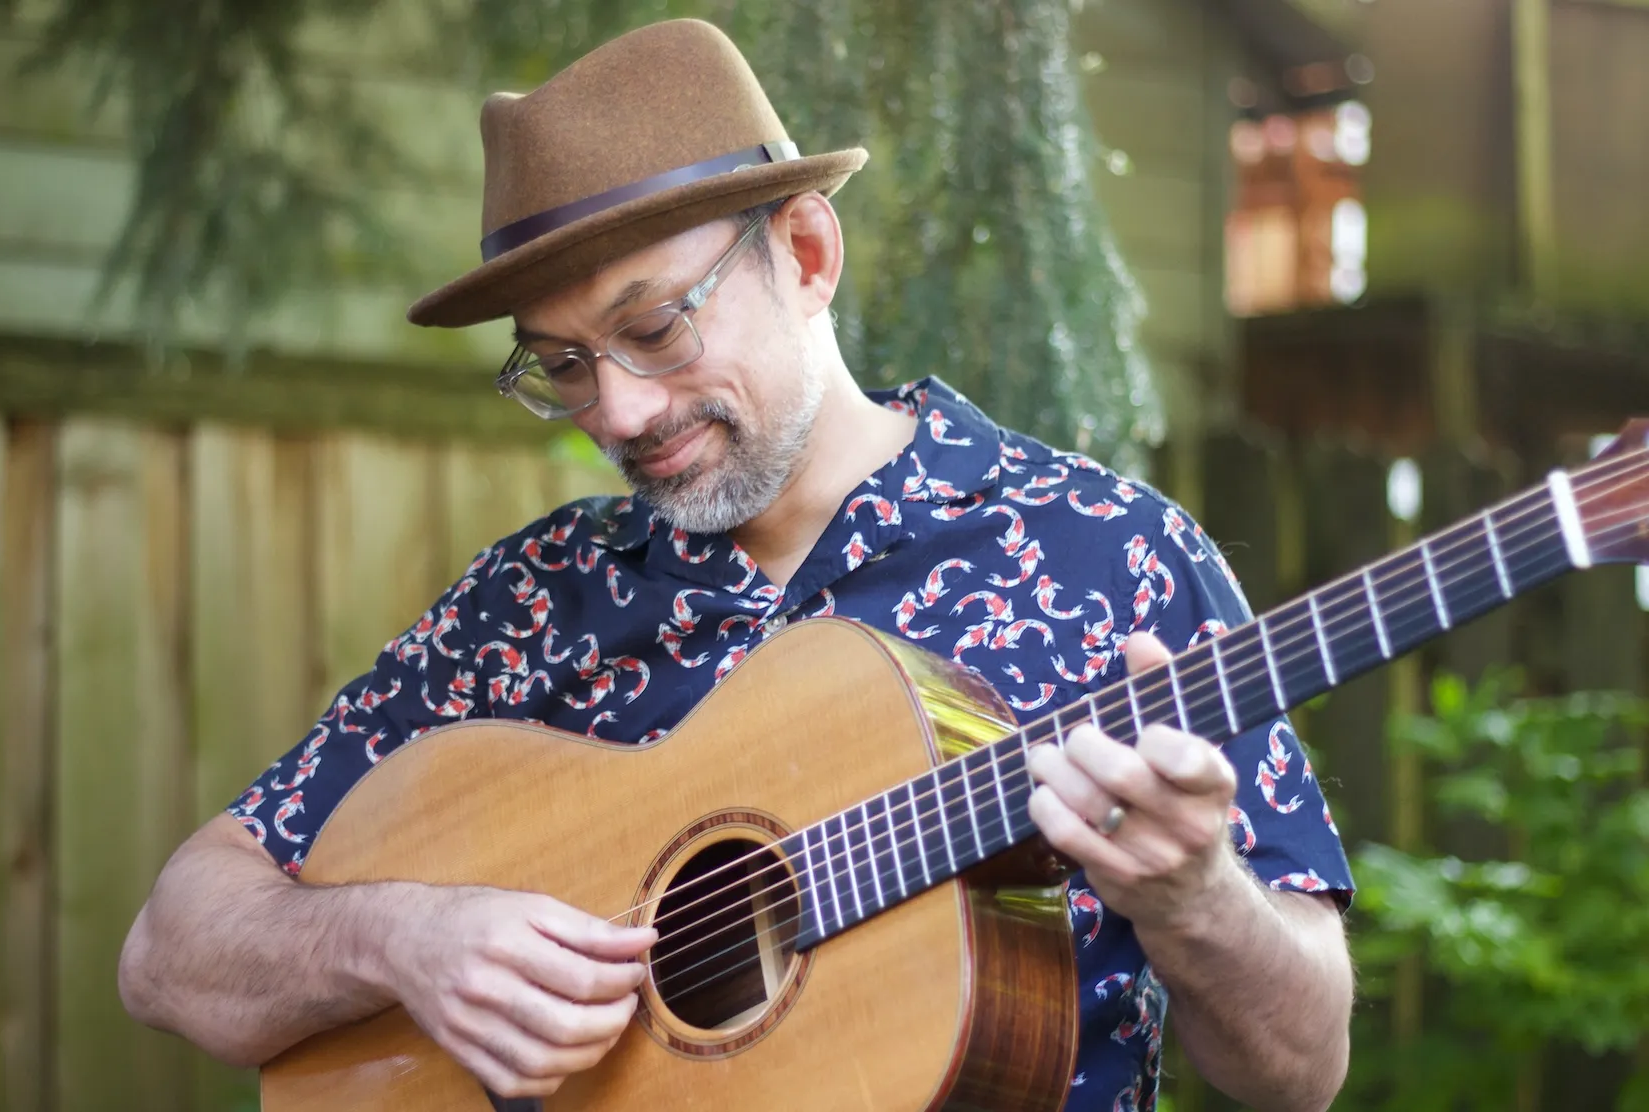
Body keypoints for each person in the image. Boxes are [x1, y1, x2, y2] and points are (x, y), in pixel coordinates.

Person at [118, 18, 1353, 1112]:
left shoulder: (1108, 557)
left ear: (808, 255)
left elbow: (1299, 1070)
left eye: (654, 327)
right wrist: (401, 936)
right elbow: (173, 948)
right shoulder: (531, 605)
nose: (618, 409)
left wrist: (1197, 897)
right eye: (560, 363)